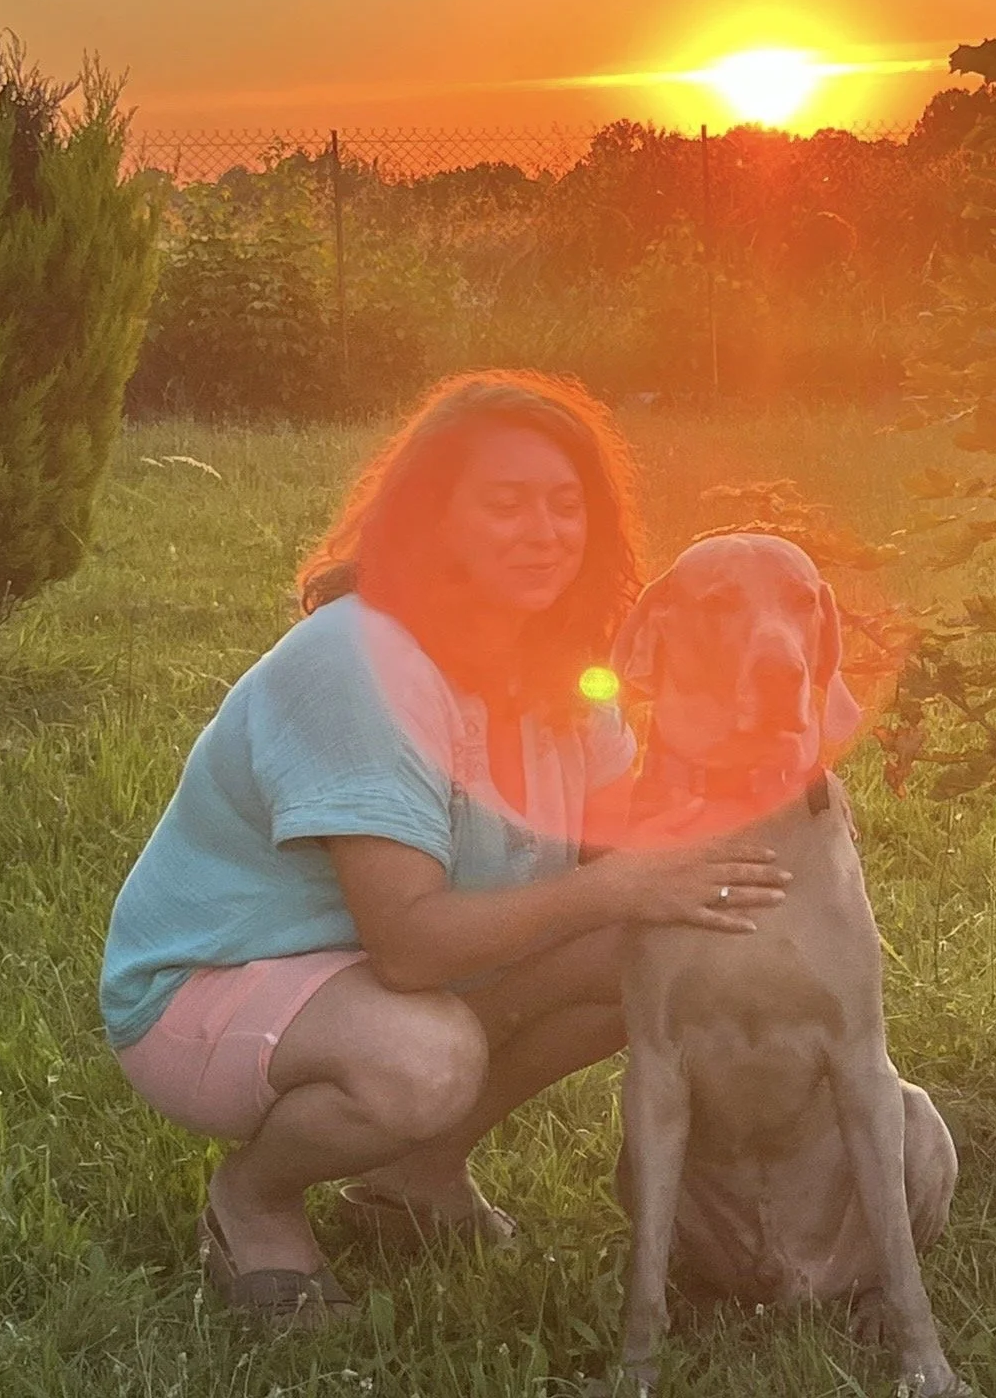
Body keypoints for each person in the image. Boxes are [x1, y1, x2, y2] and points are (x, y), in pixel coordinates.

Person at [99, 370, 794, 1323]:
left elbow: (613, 859)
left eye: (566, 505)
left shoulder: (565, 670)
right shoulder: (362, 662)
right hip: (211, 982)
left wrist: (735, 760)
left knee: (659, 953)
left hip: (368, 975)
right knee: (424, 1061)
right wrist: (618, 891)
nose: (545, 532)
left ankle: (412, 1178)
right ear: (433, 519)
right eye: (505, 505)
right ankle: (252, 1202)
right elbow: (415, 945)